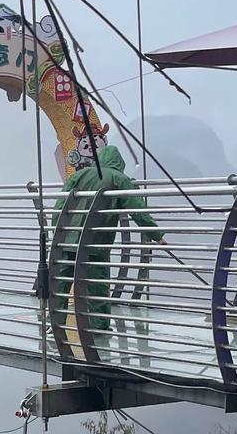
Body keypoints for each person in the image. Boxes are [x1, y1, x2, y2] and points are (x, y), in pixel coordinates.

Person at [50, 140, 164, 349]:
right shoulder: (119, 179)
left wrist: (56, 231)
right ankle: (100, 328)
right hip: (95, 245)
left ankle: (54, 324)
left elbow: (60, 205)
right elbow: (137, 210)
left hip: (66, 241)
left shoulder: (78, 175)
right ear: (118, 163)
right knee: (97, 287)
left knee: (60, 284)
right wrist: (156, 234)